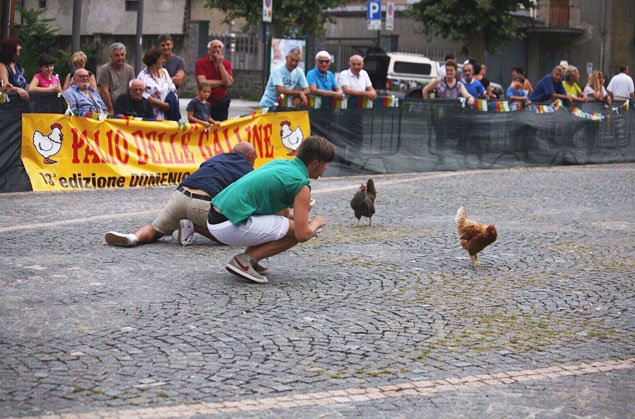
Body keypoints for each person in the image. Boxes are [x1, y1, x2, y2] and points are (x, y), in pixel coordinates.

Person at [208, 135, 334, 284]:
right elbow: (302, 234)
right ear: (315, 163)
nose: (326, 168)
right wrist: (315, 223)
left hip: (216, 217)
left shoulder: (282, 164)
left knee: (285, 223)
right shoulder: (301, 184)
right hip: (227, 224)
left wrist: (299, 219)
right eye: (325, 164)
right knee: (295, 231)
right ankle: (244, 261)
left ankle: (250, 260)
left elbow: (281, 212)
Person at [105, 142, 257, 247]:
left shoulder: (217, 158)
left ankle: (133, 238)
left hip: (180, 195)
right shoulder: (246, 169)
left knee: (155, 229)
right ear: (250, 157)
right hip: (203, 202)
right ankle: (193, 226)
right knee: (230, 238)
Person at [137, 47, 179, 121]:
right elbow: (143, 96)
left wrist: (169, 104)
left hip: (168, 115)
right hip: (151, 116)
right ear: (155, 61)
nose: (163, 60)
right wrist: (163, 105)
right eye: (161, 59)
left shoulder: (164, 72)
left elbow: (173, 88)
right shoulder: (142, 76)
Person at [195, 39, 233, 121]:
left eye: (219, 47)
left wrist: (220, 64)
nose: (217, 49)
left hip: (222, 102)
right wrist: (222, 82)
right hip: (205, 101)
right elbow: (203, 82)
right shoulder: (201, 62)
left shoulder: (226, 64)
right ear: (209, 50)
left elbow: (229, 83)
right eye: (214, 47)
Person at [97, 42, 135, 114]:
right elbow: (104, 91)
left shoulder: (130, 69)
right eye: (117, 55)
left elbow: (131, 89)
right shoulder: (105, 69)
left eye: (122, 55)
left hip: (125, 107)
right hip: (108, 107)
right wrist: (110, 109)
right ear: (111, 57)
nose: (120, 58)